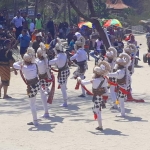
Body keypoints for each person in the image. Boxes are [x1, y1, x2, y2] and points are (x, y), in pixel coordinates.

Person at [77, 61, 110, 130]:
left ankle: (100, 126)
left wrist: (79, 79)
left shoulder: (94, 80)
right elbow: (106, 88)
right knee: (98, 110)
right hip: (103, 96)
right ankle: (99, 125)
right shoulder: (104, 79)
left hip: (97, 97)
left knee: (98, 111)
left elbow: (84, 83)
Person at [13, 48, 40, 126]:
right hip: (36, 84)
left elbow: (15, 65)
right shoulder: (35, 65)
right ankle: (35, 119)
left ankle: (35, 121)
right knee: (33, 103)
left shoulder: (23, 67)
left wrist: (21, 61)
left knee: (32, 104)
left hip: (31, 86)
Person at [49, 41, 70, 107]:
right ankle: (65, 98)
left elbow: (51, 62)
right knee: (64, 86)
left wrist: (46, 61)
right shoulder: (64, 54)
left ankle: (65, 102)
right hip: (67, 70)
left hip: (62, 72)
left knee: (62, 88)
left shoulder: (58, 57)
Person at [35, 44, 51, 118]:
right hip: (47, 78)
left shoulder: (38, 62)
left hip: (41, 80)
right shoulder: (46, 60)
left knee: (42, 96)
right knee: (44, 92)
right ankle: (47, 91)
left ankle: (46, 112)